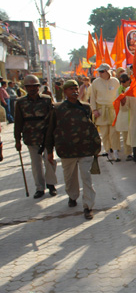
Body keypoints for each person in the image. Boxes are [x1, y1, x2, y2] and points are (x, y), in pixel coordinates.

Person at [46, 80, 101, 220]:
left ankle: (88, 206)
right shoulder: (57, 109)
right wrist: (49, 150)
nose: (75, 91)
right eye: (71, 89)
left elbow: (92, 127)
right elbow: (50, 130)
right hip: (66, 150)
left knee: (86, 177)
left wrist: (96, 146)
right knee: (70, 178)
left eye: (76, 88)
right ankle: (72, 196)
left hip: (85, 149)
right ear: (64, 91)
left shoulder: (86, 107)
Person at [13, 75, 58, 198]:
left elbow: (53, 118)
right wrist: (17, 140)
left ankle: (51, 184)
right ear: (25, 88)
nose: (32, 89)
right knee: (36, 164)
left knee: (50, 161)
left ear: (39, 87)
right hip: (31, 137)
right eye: (29, 86)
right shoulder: (20, 102)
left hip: (46, 137)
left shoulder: (46, 100)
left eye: (35, 86)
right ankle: (39, 188)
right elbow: (18, 122)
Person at [89, 63, 120, 161]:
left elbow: (119, 95)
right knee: (105, 133)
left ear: (108, 71)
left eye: (102, 71)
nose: (100, 73)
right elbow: (92, 97)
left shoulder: (115, 81)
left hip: (112, 110)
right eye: (99, 71)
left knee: (114, 132)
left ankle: (116, 151)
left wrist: (119, 109)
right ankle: (108, 152)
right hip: (101, 110)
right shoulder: (95, 82)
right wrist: (94, 110)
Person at [115, 74, 133, 161]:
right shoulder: (119, 90)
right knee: (125, 136)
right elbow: (118, 102)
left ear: (129, 80)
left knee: (135, 135)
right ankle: (128, 153)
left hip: (133, 114)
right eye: (121, 81)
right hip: (124, 115)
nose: (122, 83)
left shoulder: (133, 88)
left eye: (124, 81)